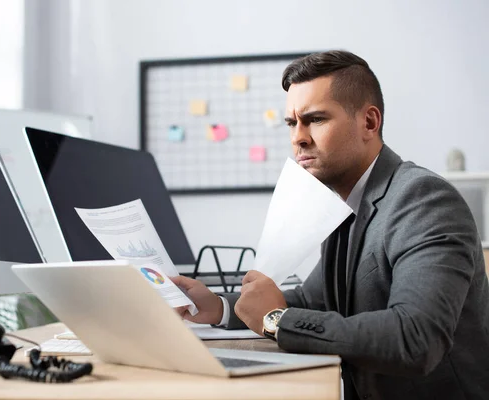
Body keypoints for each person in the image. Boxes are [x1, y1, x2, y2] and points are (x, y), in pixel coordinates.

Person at [171, 50, 489, 400]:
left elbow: (415, 338)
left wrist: (276, 319)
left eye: (316, 119)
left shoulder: (423, 200)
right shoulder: (345, 203)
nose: (298, 138)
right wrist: (219, 305)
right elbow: (313, 300)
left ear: (369, 123)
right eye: (292, 123)